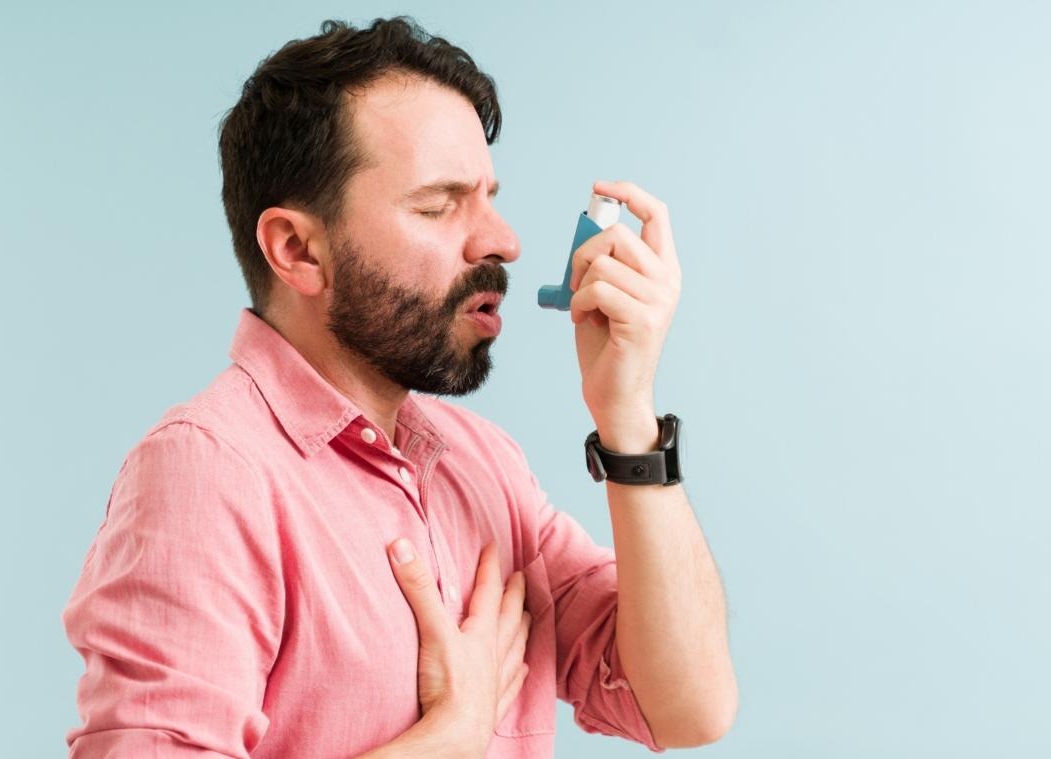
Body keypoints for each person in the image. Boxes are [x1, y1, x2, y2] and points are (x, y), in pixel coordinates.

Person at [62, 15, 737, 758]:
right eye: (440, 204)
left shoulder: (486, 468)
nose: (502, 241)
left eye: (488, 196)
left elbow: (685, 708)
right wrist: (451, 736)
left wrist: (628, 415)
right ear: (297, 250)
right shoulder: (207, 473)